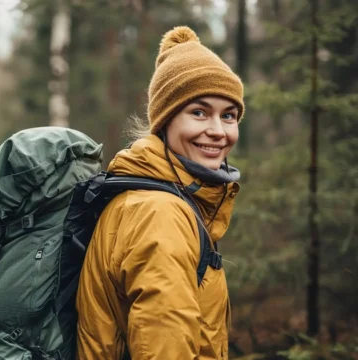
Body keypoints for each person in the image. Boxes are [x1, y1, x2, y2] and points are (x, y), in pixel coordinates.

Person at [75, 26, 244, 360]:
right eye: (199, 112)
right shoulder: (159, 212)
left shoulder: (152, 194)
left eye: (229, 116)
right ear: (165, 121)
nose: (218, 131)